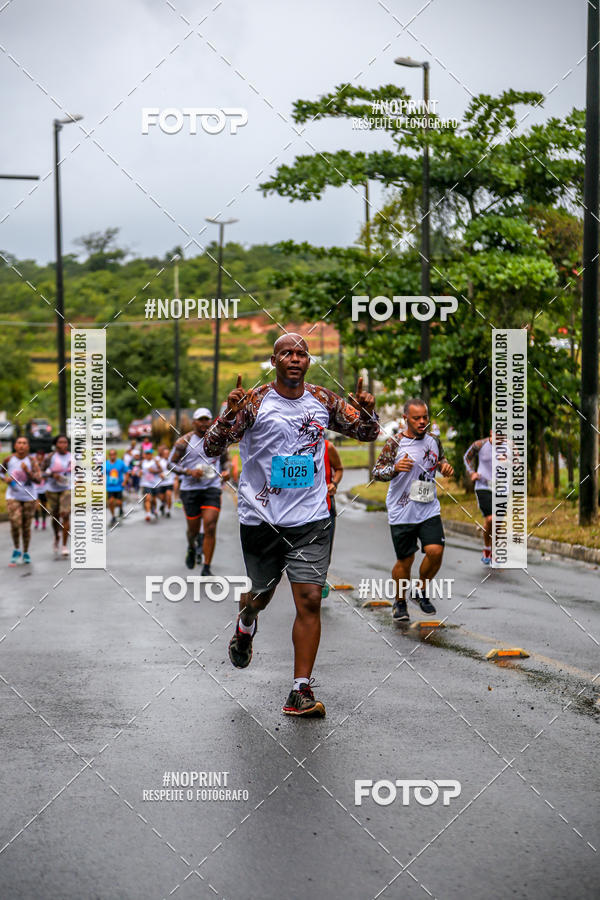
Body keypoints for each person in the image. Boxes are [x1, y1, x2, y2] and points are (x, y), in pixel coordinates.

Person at [204, 334, 379, 718]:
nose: (295, 358)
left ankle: (300, 690)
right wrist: (227, 416)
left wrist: (368, 411)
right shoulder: (252, 402)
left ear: (308, 361)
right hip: (261, 519)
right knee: (261, 597)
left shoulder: (322, 400)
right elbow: (212, 447)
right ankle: (246, 622)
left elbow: (368, 433)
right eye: (287, 353)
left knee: (310, 599)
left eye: (301, 353)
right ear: (274, 360)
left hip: (311, 519)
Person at [373, 398, 454, 622]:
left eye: (425, 417)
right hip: (402, 510)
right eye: (416, 418)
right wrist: (395, 468)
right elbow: (377, 472)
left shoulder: (434, 441)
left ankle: (420, 590)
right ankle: (399, 602)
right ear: (405, 419)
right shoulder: (394, 443)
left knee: (435, 551)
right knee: (405, 560)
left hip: (428, 506)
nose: (421, 422)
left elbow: (440, 461)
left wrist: (445, 467)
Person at [168, 408, 231, 574]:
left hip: (211, 488)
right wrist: (189, 472)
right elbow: (170, 464)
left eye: (206, 420)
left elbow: (225, 462)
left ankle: (207, 566)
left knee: (210, 526)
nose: (204, 423)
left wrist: (226, 472)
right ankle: (191, 545)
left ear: (211, 421)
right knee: (193, 530)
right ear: (194, 422)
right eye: (200, 420)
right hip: (190, 489)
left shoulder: (218, 440)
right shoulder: (184, 441)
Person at [2, 437, 41, 565]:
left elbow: (38, 480)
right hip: (13, 496)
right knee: (15, 522)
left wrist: (27, 471)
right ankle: (16, 549)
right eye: (19, 443)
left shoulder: (31, 460)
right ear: (15, 446)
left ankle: (25, 552)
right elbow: (1, 473)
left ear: (28, 447)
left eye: (24, 443)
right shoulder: (8, 459)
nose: (22, 445)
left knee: (25, 527)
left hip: (29, 497)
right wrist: (5, 480)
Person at [463, 430, 495, 565]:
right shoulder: (480, 444)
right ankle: (488, 548)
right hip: (483, 486)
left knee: (496, 521)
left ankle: (494, 550)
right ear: (491, 432)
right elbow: (467, 458)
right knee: (490, 518)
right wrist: (472, 472)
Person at [321, 438, 343, 598]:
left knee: (325, 550)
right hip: (298, 511)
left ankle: (320, 581)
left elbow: (339, 468)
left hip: (326, 507)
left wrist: (333, 483)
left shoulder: (328, 447)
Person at [44, 434, 72, 558]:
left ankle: (65, 545)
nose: (63, 445)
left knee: (65, 515)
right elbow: (41, 472)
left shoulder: (72, 457)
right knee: (55, 517)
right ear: (56, 444)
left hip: (67, 489)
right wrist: (52, 475)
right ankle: (56, 536)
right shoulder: (50, 457)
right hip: (52, 490)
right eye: (60, 442)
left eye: (65, 442)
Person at [105, 448, 129, 527]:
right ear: (109, 456)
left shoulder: (120, 463)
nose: (112, 456)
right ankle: (113, 516)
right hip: (110, 487)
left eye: (114, 454)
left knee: (118, 502)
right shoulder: (106, 464)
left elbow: (127, 472)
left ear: (116, 455)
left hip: (119, 487)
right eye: (111, 454)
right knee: (111, 501)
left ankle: (121, 508)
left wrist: (125, 482)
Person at [140, 447, 161, 521]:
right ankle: (148, 514)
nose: (148, 455)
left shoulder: (155, 461)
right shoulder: (143, 462)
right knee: (148, 498)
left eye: (150, 454)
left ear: (151, 454)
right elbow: (139, 471)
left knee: (154, 499)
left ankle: (154, 509)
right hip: (146, 484)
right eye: (147, 454)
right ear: (145, 455)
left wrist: (154, 470)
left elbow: (160, 470)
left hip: (155, 483)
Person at [32, 448, 48, 531]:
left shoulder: (45, 465)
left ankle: (44, 522)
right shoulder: (34, 465)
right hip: (35, 488)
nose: (39, 458)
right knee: (36, 506)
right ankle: (37, 521)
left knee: (44, 507)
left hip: (44, 489)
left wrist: (44, 475)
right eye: (38, 456)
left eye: (41, 456)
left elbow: (48, 474)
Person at [157, 445, 174, 517]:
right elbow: (157, 470)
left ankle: (168, 510)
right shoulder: (159, 462)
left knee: (169, 495)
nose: (167, 455)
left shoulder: (172, 461)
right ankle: (163, 504)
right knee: (162, 498)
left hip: (169, 482)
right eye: (165, 454)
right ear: (163, 454)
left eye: (168, 453)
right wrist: (159, 474)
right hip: (161, 483)